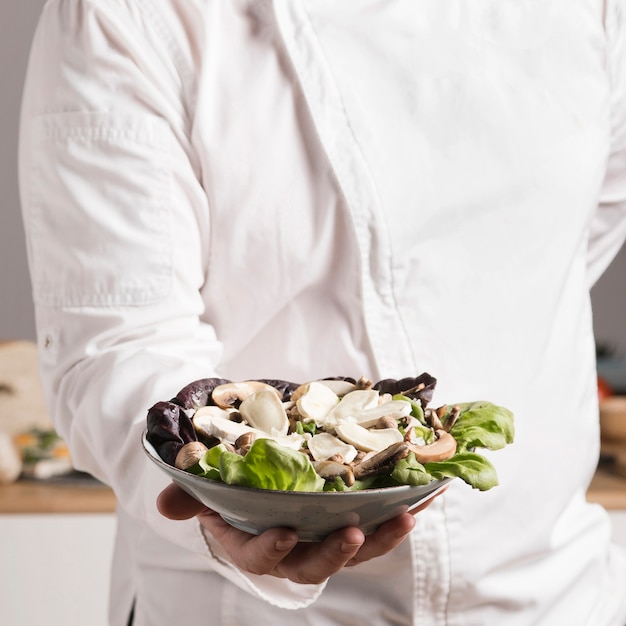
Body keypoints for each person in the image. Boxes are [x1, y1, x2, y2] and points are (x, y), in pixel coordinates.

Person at [18, 1, 626, 625]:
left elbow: (573, 243)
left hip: (554, 593)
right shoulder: (127, 13)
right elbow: (117, 336)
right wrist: (236, 497)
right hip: (250, 609)